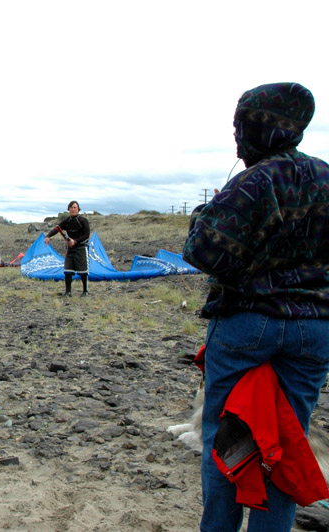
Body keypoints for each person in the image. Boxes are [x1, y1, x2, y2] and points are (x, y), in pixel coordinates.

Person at [183, 82, 329, 531]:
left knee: (227, 440)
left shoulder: (253, 182)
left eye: (239, 125)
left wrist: (204, 220)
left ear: (255, 127)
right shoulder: (326, 177)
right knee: (288, 439)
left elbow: (204, 251)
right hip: (315, 330)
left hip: (248, 323)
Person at [45, 200, 90, 296]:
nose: (73, 209)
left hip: (81, 248)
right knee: (68, 270)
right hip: (70, 249)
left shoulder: (83, 220)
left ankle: (85, 291)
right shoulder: (67, 221)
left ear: (78, 209)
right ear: (68, 209)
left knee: (83, 271)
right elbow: (58, 228)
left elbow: (87, 234)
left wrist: (75, 241)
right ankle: (68, 292)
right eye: (71, 208)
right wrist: (48, 236)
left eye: (75, 208)